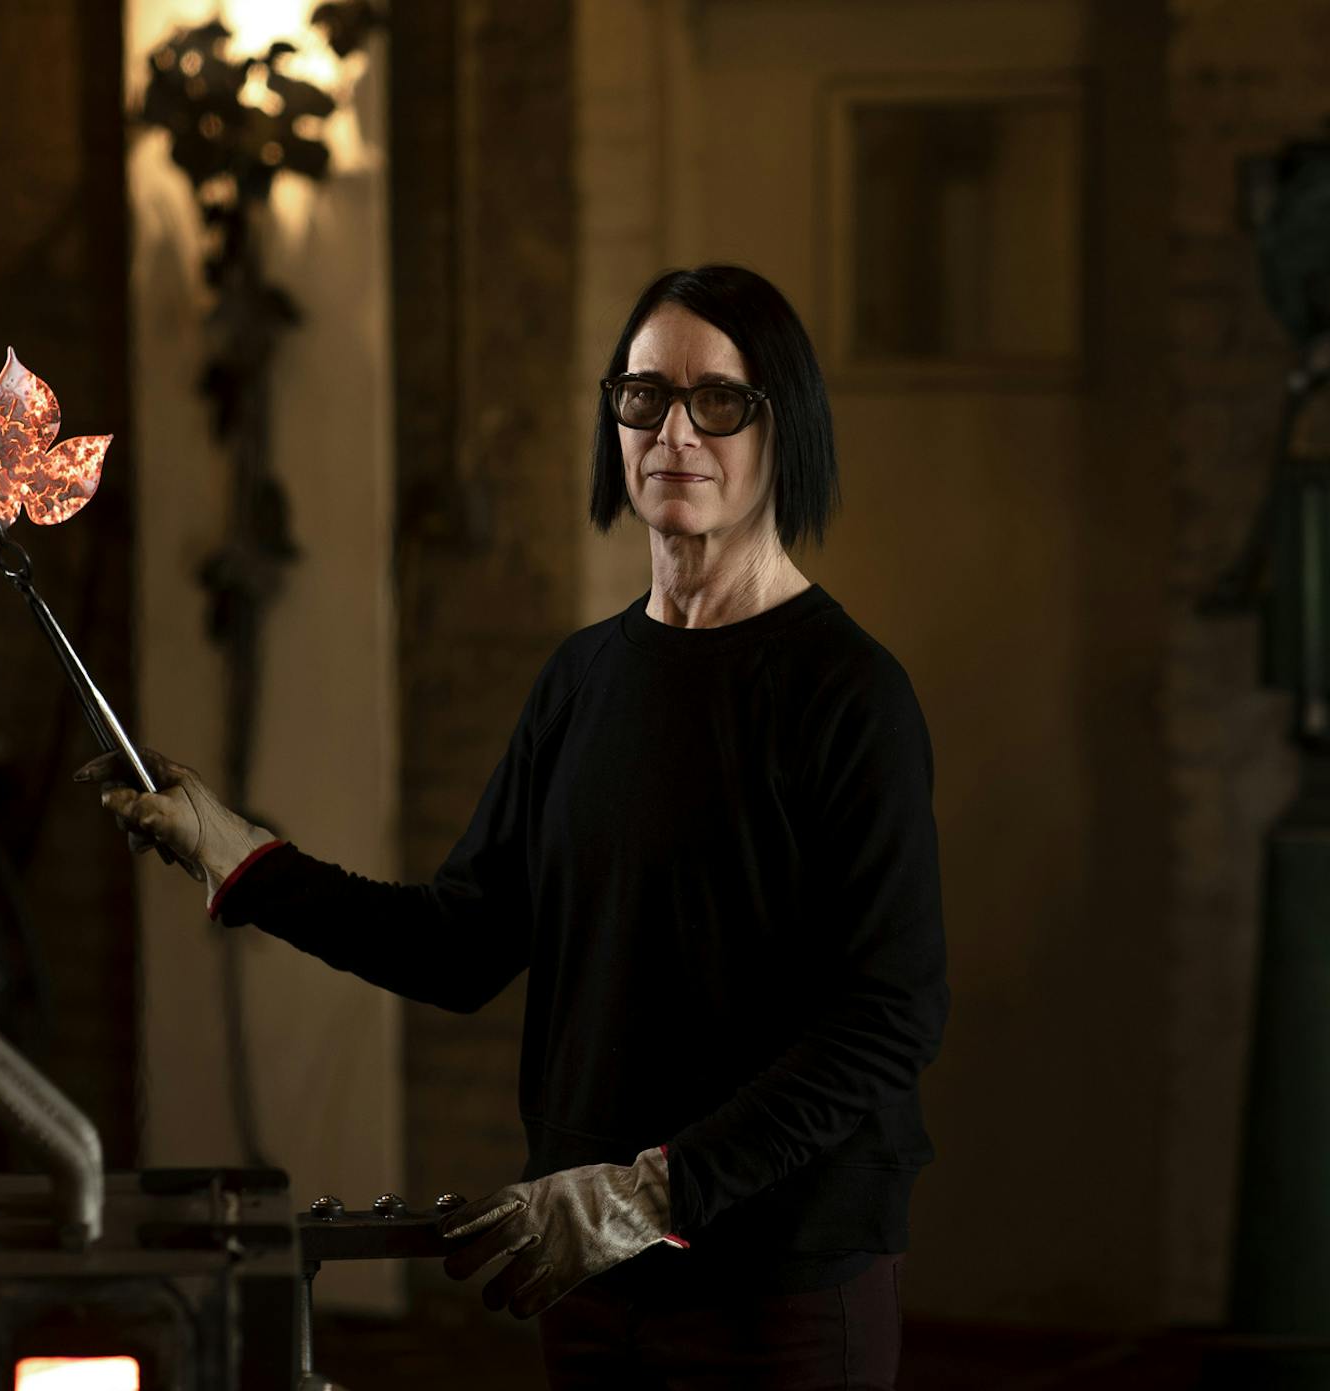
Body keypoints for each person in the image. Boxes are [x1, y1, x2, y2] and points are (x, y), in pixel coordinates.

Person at [81, 263, 947, 1390]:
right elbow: (460, 942)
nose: (674, 432)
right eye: (644, 395)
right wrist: (238, 854)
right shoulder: (582, 679)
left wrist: (654, 1191)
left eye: (719, 400)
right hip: (585, 1269)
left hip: (777, 1287)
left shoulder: (850, 694)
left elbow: (888, 1017)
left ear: (786, 425)